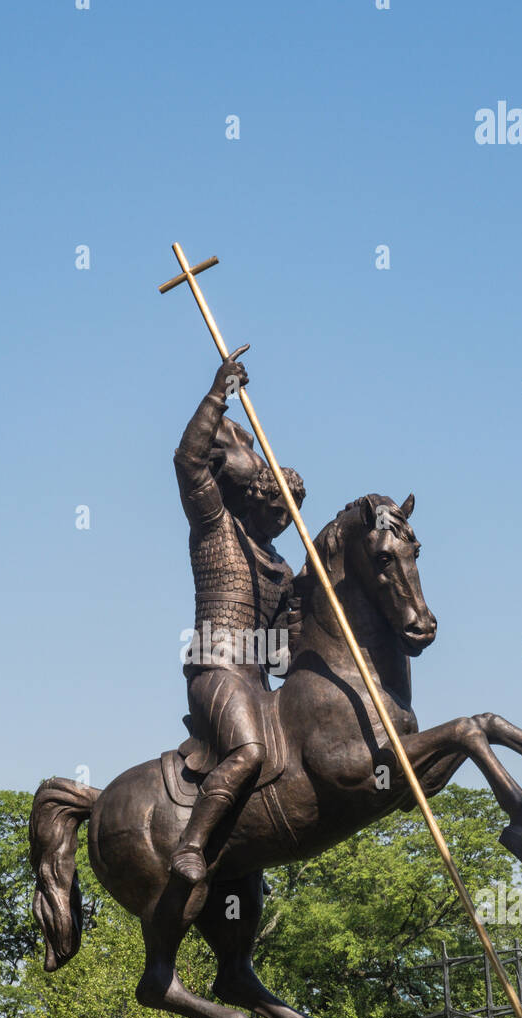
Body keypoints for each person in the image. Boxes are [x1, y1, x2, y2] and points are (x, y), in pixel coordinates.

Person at [171, 347, 306, 889]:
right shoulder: (215, 525)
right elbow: (187, 462)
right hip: (218, 670)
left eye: (289, 516)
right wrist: (217, 391)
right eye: (279, 512)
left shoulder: (282, 567)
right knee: (250, 752)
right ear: (256, 501)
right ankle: (191, 845)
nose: (283, 524)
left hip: (260, 682)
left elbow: (286, 653)